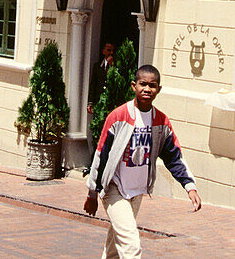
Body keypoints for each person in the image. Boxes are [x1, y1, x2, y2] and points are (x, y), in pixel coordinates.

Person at [84, 64, 201, 258]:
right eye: (143, 84)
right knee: (131, 246)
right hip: (115, 189)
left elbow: (174, 156)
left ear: (159, 89)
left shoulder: (161, 121)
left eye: (152, 85)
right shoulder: (119, 116)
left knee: (115, 246)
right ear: (134, 86)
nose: (147, 89)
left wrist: (190, 186)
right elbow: (100, 156)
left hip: (137, 191)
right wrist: (92, 193)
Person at [86, 42, 115, 156]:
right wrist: (90, 103)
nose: (110, 53)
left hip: (110, 106)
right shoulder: (98, 66)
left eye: (112, 50)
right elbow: (93, 84)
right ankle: (94, 159)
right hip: (99, 105)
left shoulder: (116, 67)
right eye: (108, 50)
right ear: (103, 51)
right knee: (97, 132)